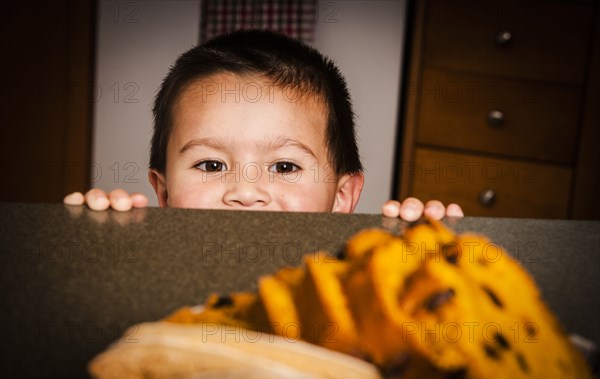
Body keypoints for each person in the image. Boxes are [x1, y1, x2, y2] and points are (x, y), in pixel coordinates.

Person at [64, 30, 463, 222]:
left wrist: (430, 262)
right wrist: (95, 245)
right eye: (211, 165)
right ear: (163, 190)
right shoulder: (143, 272)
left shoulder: (359, 284)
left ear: (342, 196)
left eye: (285, 167)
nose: (246, 193)